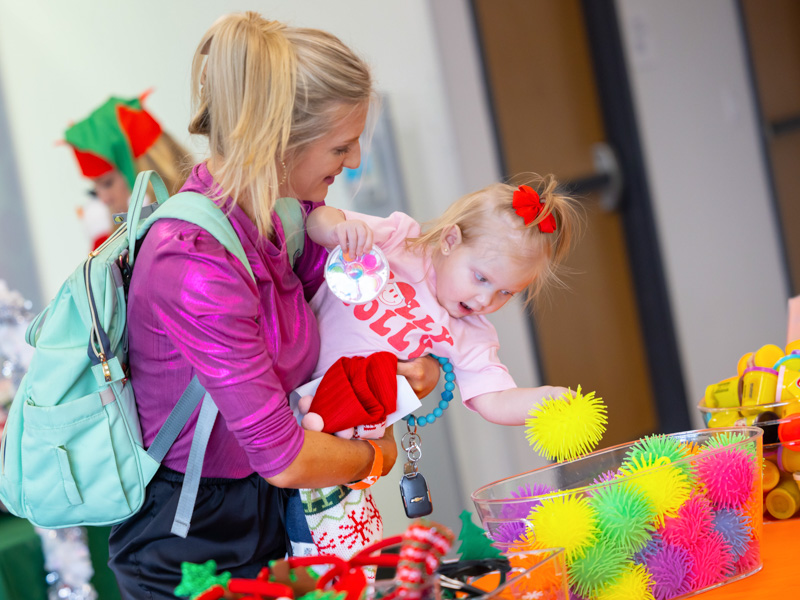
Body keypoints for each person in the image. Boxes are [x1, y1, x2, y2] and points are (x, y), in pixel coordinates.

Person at [106, 12, 437, 599]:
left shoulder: (279, 223)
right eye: (340, 145)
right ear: (280, 137)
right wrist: (376, 456)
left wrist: (406, 370)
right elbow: (283, 456)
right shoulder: (194, 260)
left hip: (265, 520)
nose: (355, 160)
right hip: (191, 544)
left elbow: (347, 329)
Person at [292, 175, 580, 563]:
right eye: (481, 278)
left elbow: (491, 398)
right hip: (282, 390)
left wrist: (541, 401)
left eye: (505, 293)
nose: (485, 300)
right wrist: (342, 229)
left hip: (333, 440)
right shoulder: (400, 240)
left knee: (328, 559)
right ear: (449, 241)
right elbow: (314, 222)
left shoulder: (470, 332)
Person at [64, 93, 192, 248]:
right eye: (94, 189)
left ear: (148, 169)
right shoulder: (112, 244)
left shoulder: (197, 218)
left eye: (107, 183)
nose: (104, 199)